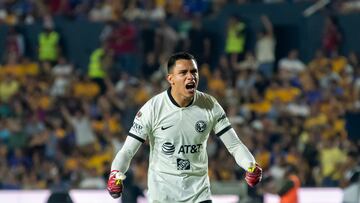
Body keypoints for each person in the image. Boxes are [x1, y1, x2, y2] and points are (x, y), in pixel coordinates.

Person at [107, 52, 262, 202]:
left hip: (198, 195)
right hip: (163, 196)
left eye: (194, 71)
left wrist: (250, 165)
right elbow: (127, 150)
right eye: (183, 72)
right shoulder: (152, 109)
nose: (191, 76)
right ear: (171, 79)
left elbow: (234, 144)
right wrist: (115, 173)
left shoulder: (210, 105)